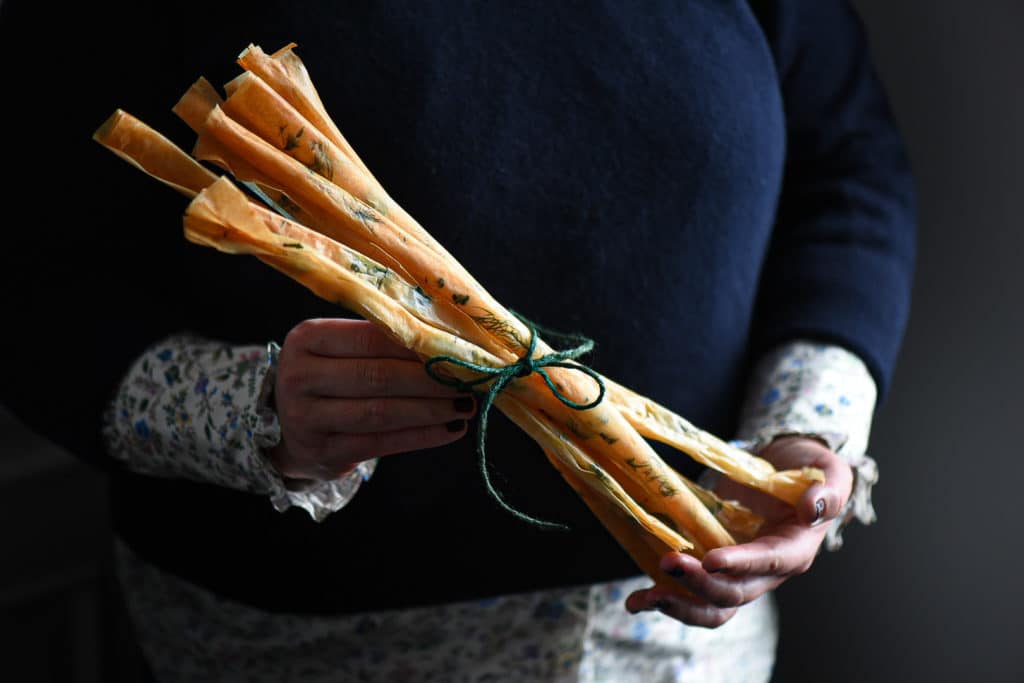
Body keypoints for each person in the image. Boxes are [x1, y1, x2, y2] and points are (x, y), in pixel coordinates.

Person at [0, 0, 915, 681]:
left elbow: (845, 168)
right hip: (289, 646)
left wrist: (806, 432)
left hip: (672, 650)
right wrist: (243, 410)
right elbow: (34, 283)